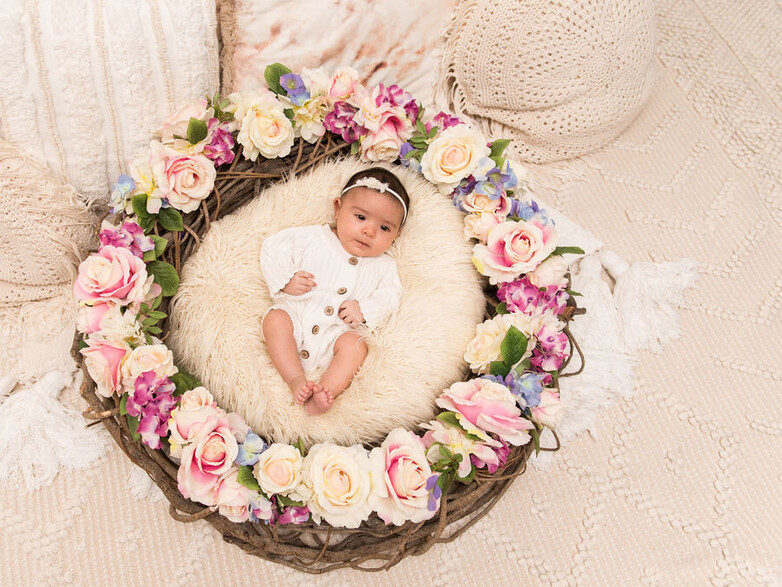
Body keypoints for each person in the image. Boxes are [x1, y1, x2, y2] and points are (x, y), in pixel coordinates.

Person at [260, 167, 408, 414]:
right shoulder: (312, 238)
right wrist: (286, 280)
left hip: (336, 335)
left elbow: (391, 296)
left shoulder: (384, 265)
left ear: (397, 234)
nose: (369, 231)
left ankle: (324, 391)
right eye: (360, 217)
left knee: (356, 345)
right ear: (338, 208)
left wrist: (364, 310)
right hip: (297, 317)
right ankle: (295, 379)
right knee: (275, 320)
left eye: (384, 229)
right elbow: (273, 248)